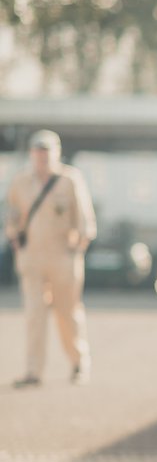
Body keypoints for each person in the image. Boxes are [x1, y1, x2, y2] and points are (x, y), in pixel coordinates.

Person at [4, 129, 97, 387]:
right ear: (32, 154)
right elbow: (12, 215)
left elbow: (85, 220)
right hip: (32, 258)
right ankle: (33, 371)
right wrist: (16, 241)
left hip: (62, 258)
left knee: (67, 314)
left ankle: (79, 363)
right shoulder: (21, 182)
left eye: (47, 152)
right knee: (34, 315)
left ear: (56, 153)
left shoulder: (69, 180)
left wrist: (77, 250)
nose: (42, 157)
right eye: (38, 152)